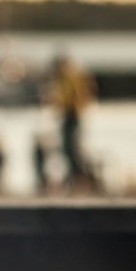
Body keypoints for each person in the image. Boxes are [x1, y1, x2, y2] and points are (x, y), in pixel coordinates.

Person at [47, 52, 96, 190]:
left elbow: (77, 95)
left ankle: (79, 177)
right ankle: (75, 177)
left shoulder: (70, 76)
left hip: (72, 114)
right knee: (68, 147)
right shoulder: (68, 76)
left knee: (70, 147)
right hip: (69, 114)